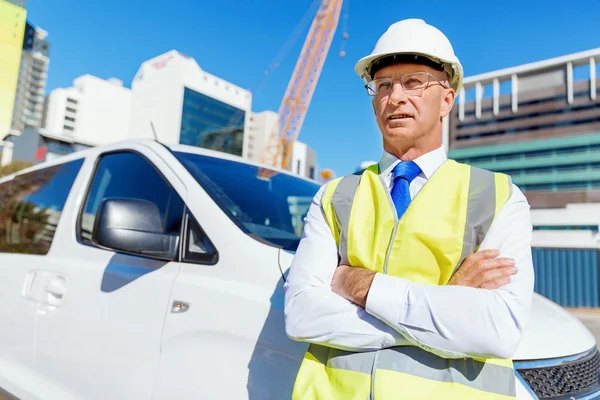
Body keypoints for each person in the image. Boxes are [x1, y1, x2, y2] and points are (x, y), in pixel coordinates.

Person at [283, 18, 534, 399]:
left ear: (447, 99)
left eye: (414, 82)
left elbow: (499, 330)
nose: (395, 97)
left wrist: (358, 283)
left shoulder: (498, 196)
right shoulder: (334, 196)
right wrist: (445, 305)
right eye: (383, 85)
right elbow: (302, 316)